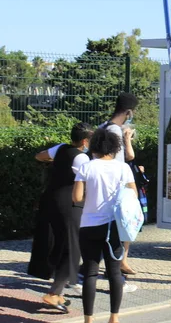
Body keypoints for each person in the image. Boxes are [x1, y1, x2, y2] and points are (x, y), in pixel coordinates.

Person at [72, 128, 136, 323]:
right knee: (114, 272)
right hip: (114, 226)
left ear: (94, 146)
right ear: (115, 148)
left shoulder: (87, 167)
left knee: (91, 272)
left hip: (89, 225)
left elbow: (77, 197)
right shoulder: (123, 168)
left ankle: (88, 319)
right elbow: (132, 195)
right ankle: (114, 317)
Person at [29, 123, 93, 312]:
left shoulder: (61, 149)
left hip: (50, 200)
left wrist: (54, 163)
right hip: (70, 205)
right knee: (72, 248)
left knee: (58, 244)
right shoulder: (82, 158)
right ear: (84, 141)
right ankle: (53, 293)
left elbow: (39, 156)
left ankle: (58, 291)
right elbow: (86, 183)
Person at [100, 92, 138, 275]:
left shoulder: (103, 127)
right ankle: (116, 266)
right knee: (123, 224)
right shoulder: (116, 131)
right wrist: (127, 139)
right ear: (128, 112)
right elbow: (127, 157)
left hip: (102, 184)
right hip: (118, 185)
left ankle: (115, 263)